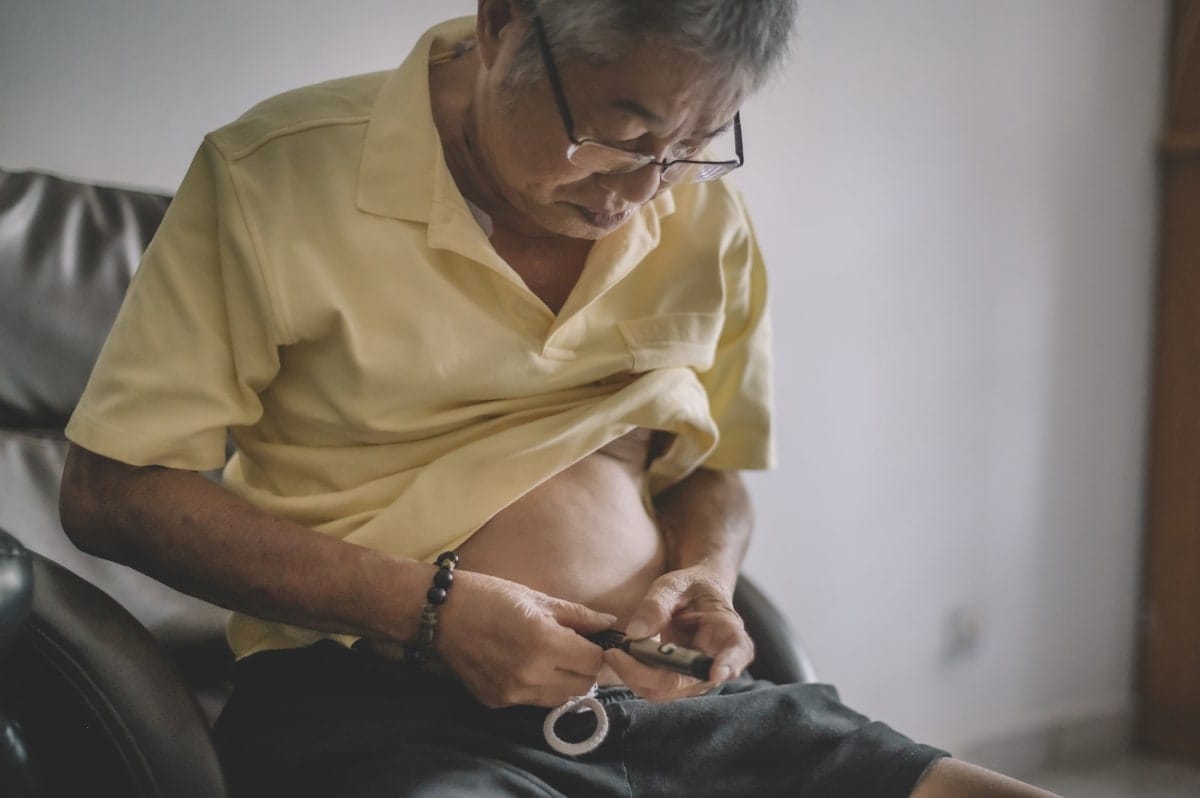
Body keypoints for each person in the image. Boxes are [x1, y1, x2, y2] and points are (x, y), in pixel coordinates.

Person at [58, 1, 1059, 796]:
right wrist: (429, 609)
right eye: (621, 134)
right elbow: (113, 492)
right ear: (502, 23)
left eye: (696, 139)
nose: (646, 189)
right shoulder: (274, 178)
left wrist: (707, 574)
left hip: (667, 702)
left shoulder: (706, 216)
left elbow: (711, 469)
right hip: (376, 706)